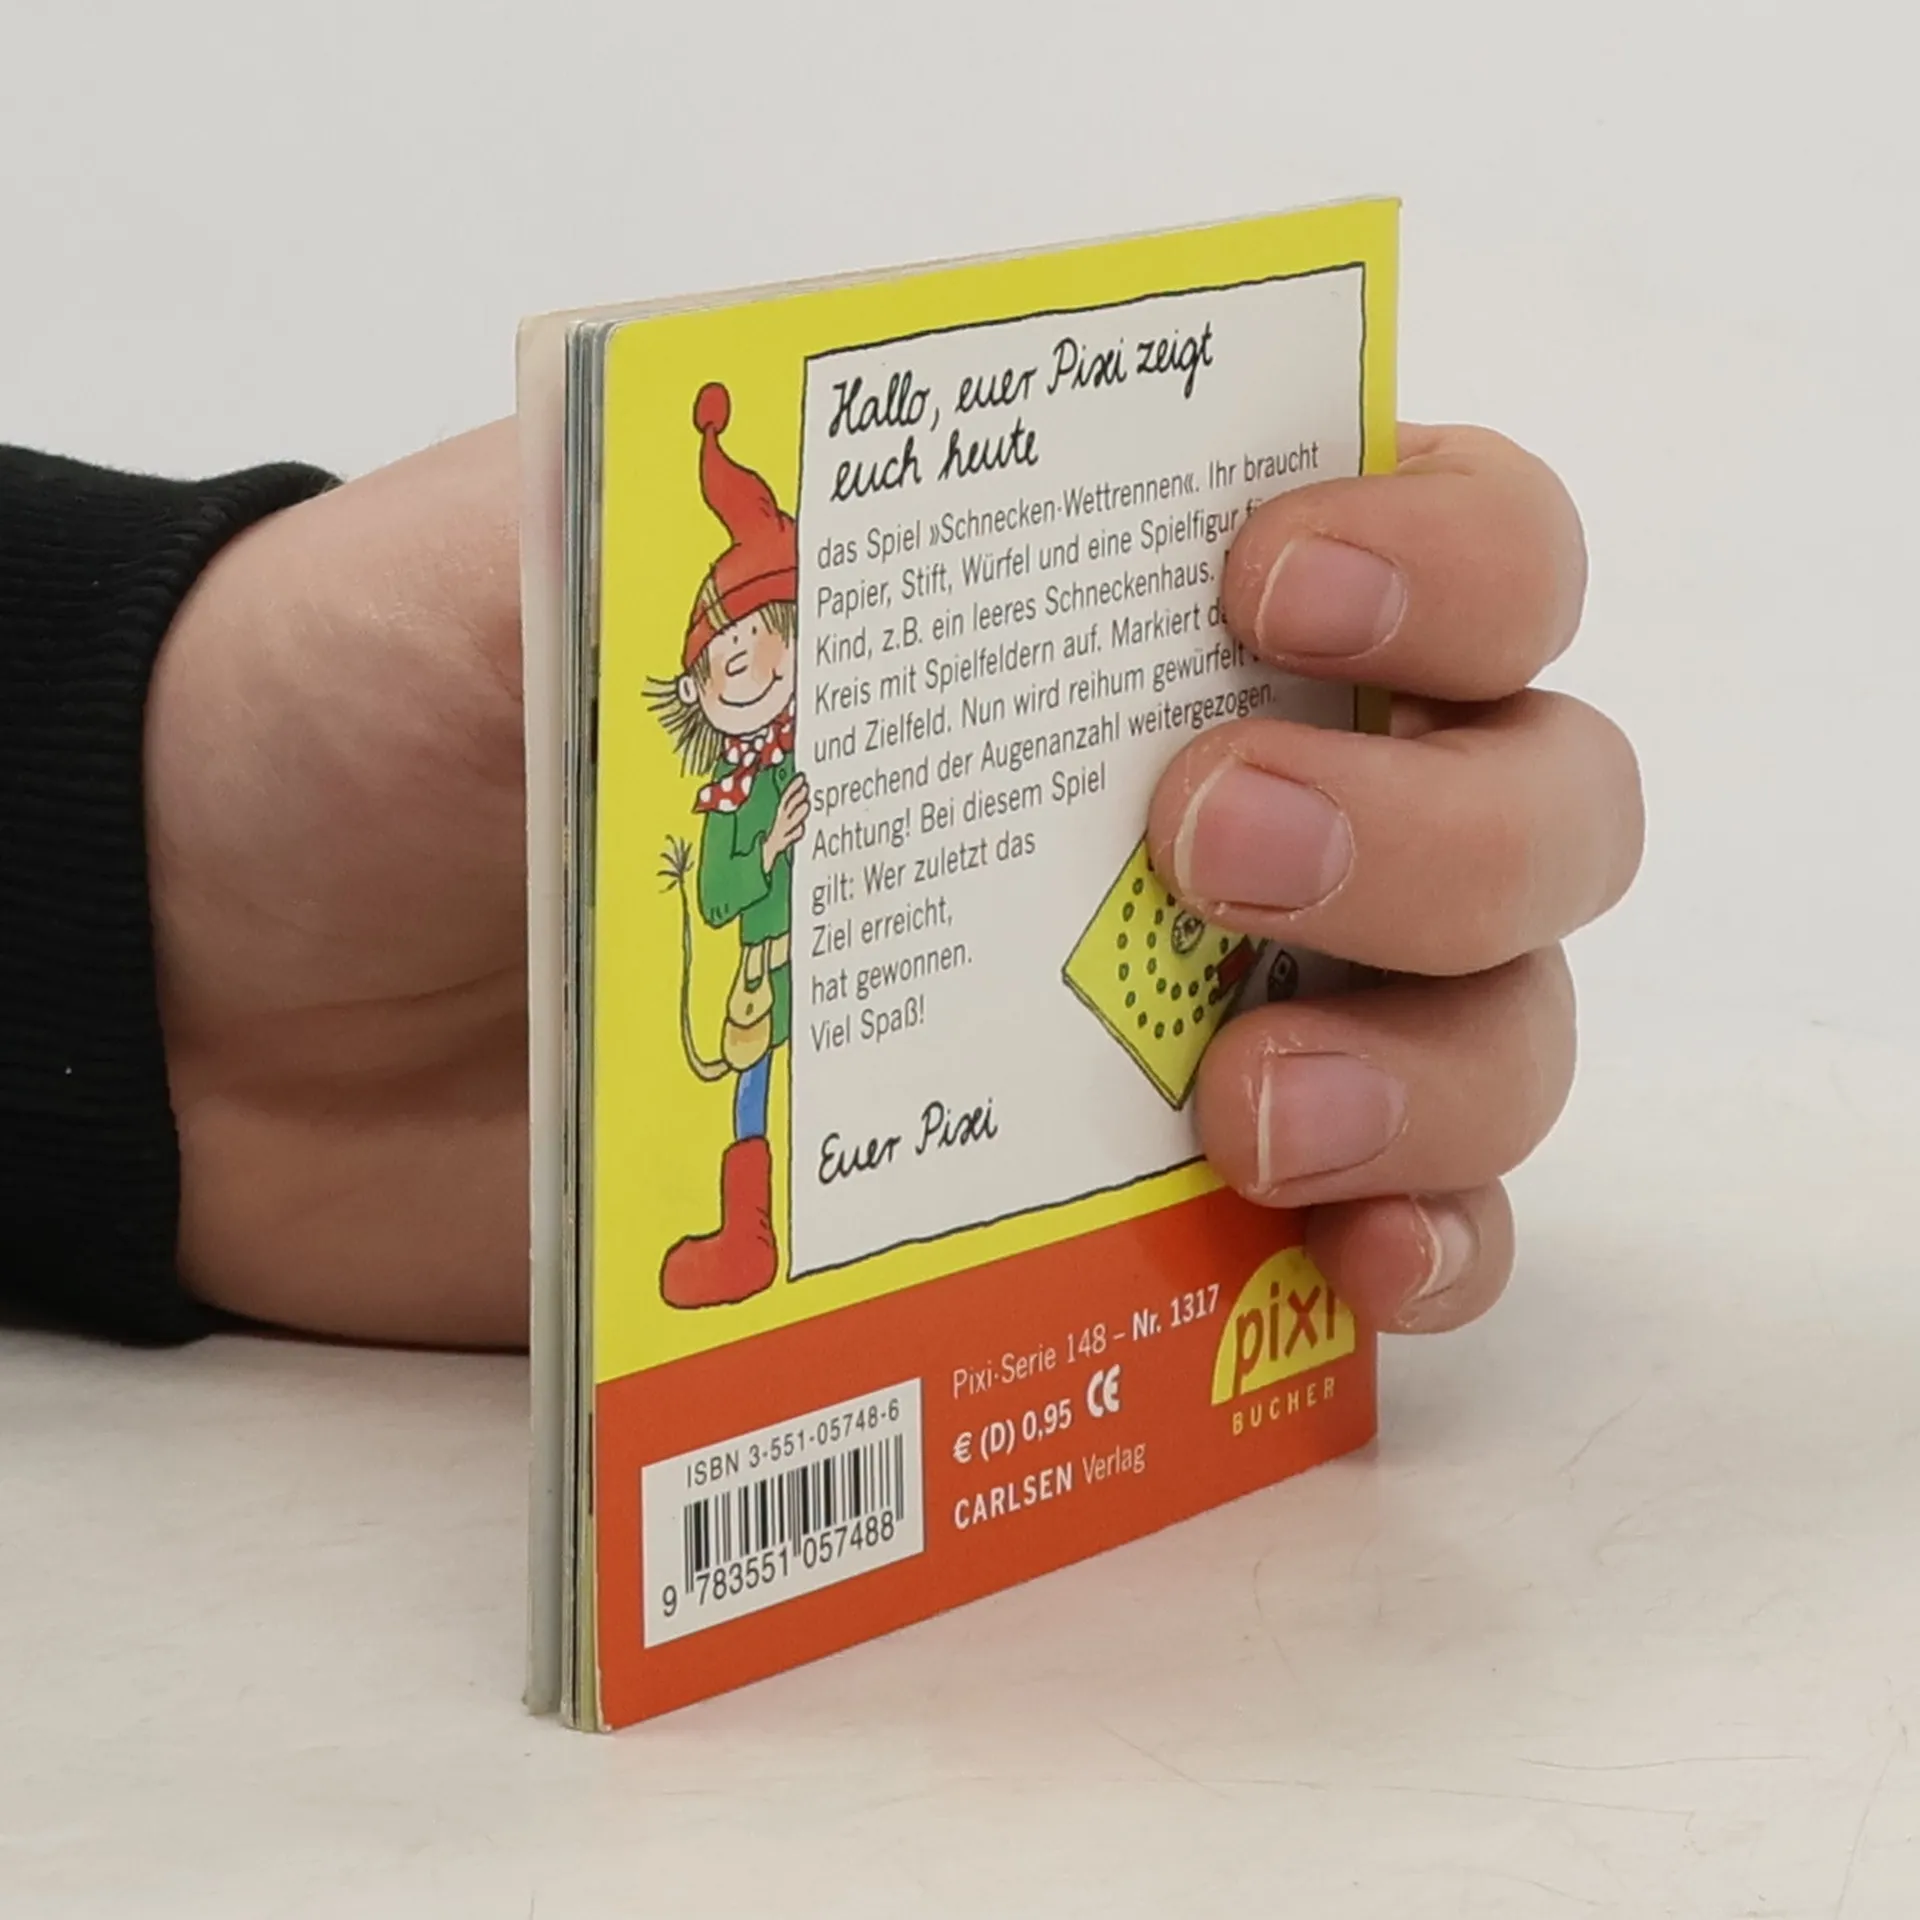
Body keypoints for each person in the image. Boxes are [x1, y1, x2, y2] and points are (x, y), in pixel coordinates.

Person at [0, 419, 1643, 1349]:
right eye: (739, 655)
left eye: (777, 646)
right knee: (744, 1102)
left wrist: (134, 782)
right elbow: (718, 875)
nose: (763, 673)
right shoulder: (719, 783)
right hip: (738, 980)